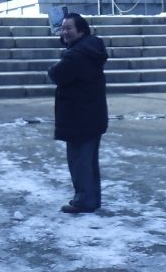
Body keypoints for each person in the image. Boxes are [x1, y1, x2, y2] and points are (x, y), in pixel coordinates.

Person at [48, 12, 109, 214]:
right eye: (62, 28)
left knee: (79, 162)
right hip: (93, 115)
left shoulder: (76, 55)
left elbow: (56, 74)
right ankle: (91, 198)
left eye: (69, 28)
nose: (64, 32)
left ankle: (84, 201)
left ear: (80, 30)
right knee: (89, 162)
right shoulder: (91, 47)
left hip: (79, 117)